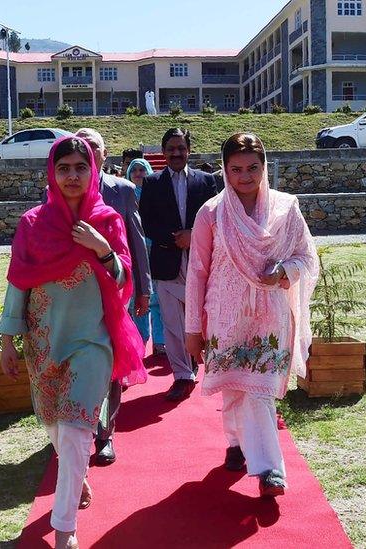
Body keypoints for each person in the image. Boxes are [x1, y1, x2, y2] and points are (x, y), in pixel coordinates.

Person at [0, 136, 146, 549]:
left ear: (93, 170)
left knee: (78, 426)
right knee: (54, 425)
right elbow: (17, 281)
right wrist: (9, 339)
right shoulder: (33, 224)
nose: (72, 176)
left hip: (92, 340)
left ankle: (65, 527)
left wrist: (102, 250)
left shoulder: (108, 221)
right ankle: (76, 475)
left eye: (80, 168)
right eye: (63, 168)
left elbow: (123, 281)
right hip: (44, 340)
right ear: (52, 172)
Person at [184, 132, 319, 497]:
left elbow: (307, 258)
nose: (245, 176)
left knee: (257, 389)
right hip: (224, 313)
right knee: (233, 384)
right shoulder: (210, 212)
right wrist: (192, 328)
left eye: (253, 168)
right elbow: (197, 270)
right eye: (236, 169)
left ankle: (270, 469)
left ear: (264, 167)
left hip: (269, 312)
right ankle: (234, 442)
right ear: (225, 171)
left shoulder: (285, 208)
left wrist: (283, 272)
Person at [74, 128, 151, 466]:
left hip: (116, 293)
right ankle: (75, 431)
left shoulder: (123, 191)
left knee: (111, 368)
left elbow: (137, 241)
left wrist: (144, 289)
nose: (88, 153)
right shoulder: (61, 189)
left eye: (94, 148)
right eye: (82, 147)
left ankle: (105, 435)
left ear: (105, 155)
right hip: (73, 297)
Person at [139, 128, 218, 401]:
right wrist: (176, 239)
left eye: (181, 148)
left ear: (189, 150)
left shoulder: (206, 181)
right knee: (173, 323)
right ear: (163, 152)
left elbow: (217, 220)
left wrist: (192, 236)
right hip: (167, 262)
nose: (176, 153)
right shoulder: (152, 183)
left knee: (202, 319)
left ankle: (211, 364)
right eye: (171, 149)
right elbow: (146, 222)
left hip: (202, 263)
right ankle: (183, 375)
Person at [125, 157, 166, 355]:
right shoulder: (124, 194)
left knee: (157, 296)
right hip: (133, 251)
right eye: (135, 170)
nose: (139, 173)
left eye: (143, 169)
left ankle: (160, 341)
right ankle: (140, 339)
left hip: (154, 249)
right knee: (137, 296)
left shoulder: (157, 194)